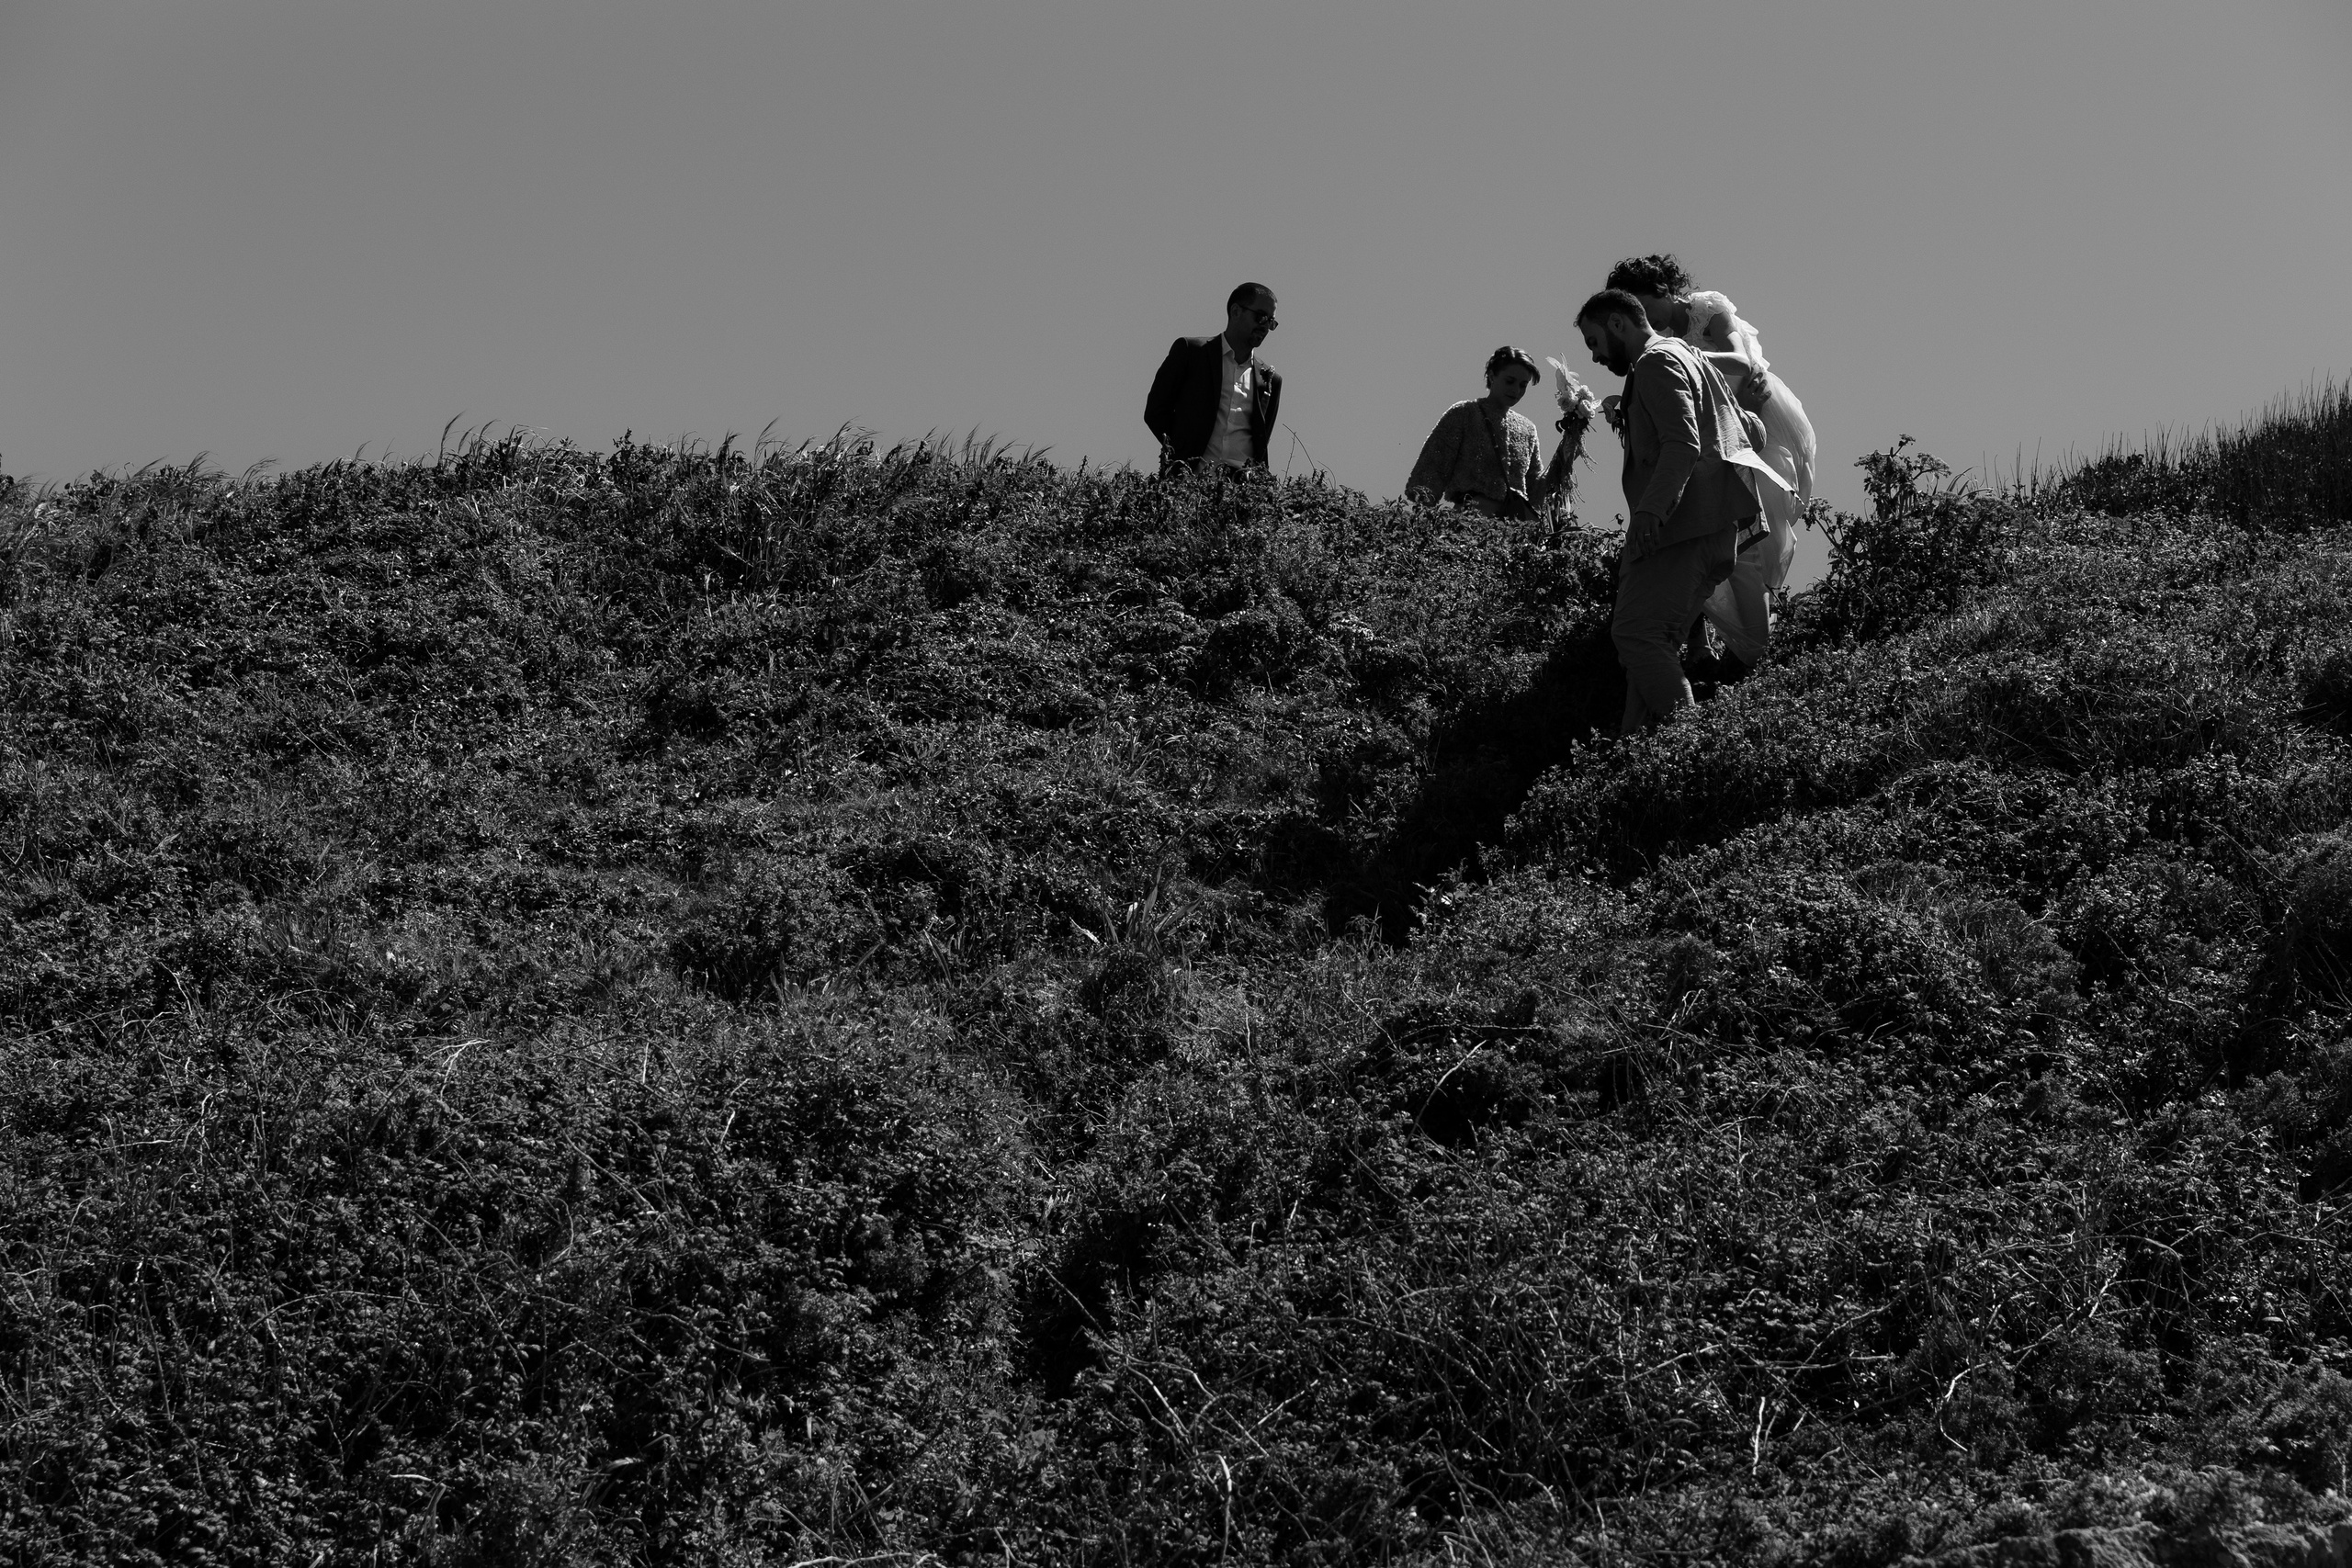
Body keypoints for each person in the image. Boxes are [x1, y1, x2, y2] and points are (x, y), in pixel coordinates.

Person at [1577, 288, 1777, 733]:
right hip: (1716, 532)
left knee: (1636, 636)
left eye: (1593, 342)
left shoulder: (1655, 362)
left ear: (1617, 324)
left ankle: (1689, 747)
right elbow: (1751, 434)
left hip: (1681, 529)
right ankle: (1635, 756)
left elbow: (1682, 444)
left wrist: (1650, 513)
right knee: (1652, 645)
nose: (1594, 357)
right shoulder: (1693, 358)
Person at [1606, 254, 1817, 673]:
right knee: (1703, 517)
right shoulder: (1655, 341)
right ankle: (1709, 640)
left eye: (1642, 303)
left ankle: (1758, 639)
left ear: (1663, 290)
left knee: (1756, 525)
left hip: (1754, 414)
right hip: (1714, 427)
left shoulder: (1706, 310)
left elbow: (1741, 362)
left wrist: (1683, 360)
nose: (1639, 316)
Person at [1144, 283, 1283, 473]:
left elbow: (1261, 440)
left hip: (1242, 493)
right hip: (1190, 484)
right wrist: (1182, 454)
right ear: (1236, 311)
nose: (1265, 327)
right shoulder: (1191, 352)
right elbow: (1155, 411)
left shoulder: (1270, 380)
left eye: (1271, 322)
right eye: (1261, 317)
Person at [1404, 347, 1550, 518]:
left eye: (1523, 385)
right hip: (1469, 523)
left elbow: (1535, 490)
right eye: (1510, 381)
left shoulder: (1528, 429)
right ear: (1492, 375)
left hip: (1515, 531)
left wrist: (1567, 451)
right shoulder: (1464, 413)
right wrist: (1422, 520)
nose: (1516, 390)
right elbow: (1432, 466)